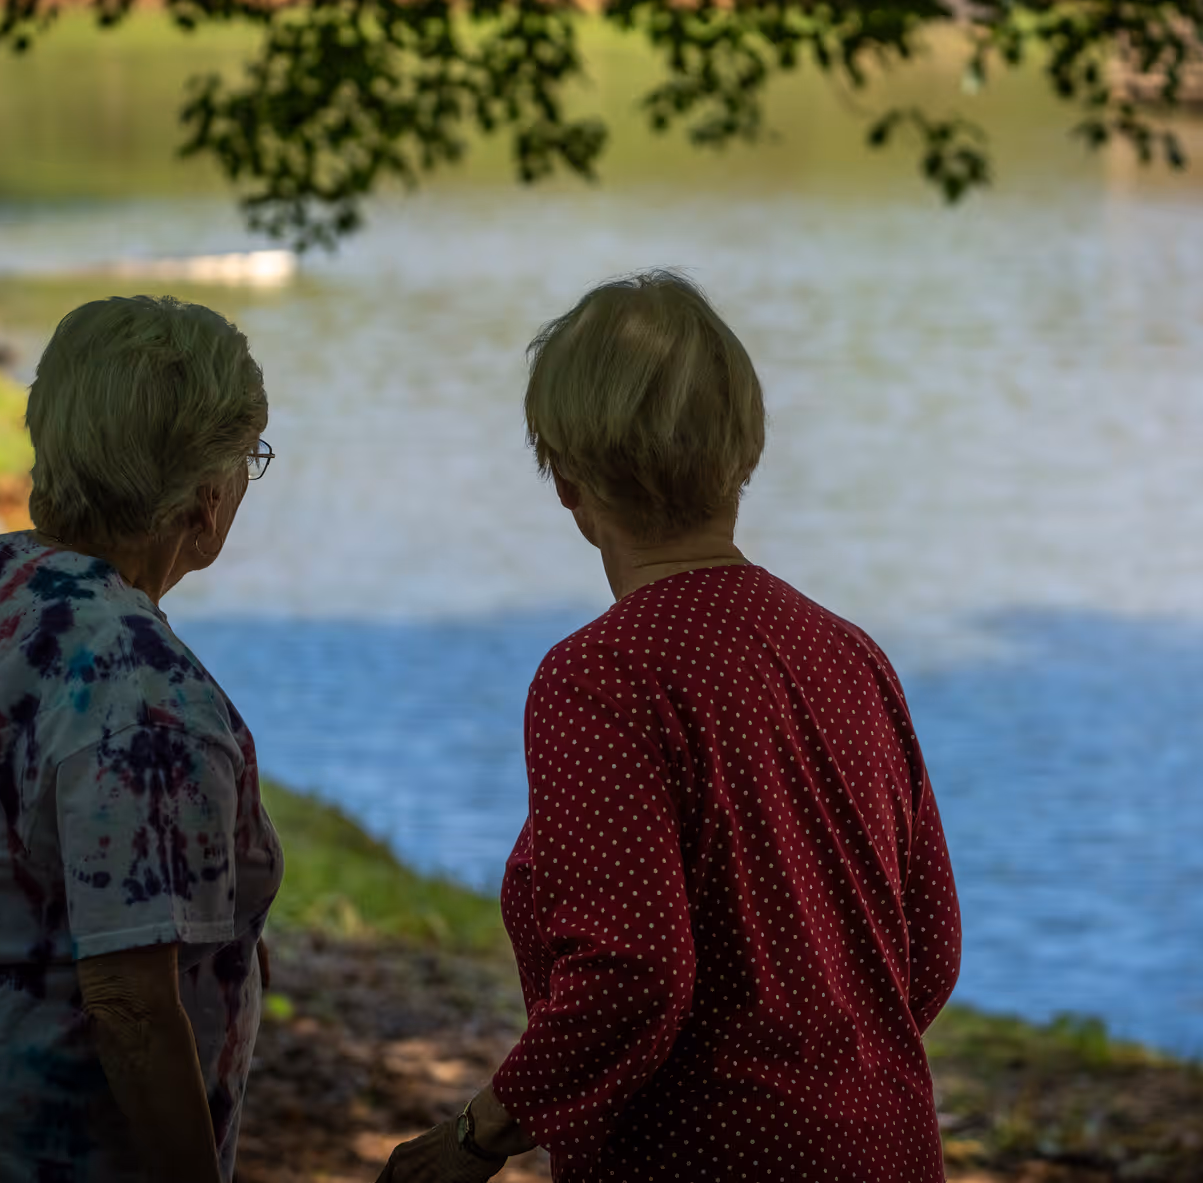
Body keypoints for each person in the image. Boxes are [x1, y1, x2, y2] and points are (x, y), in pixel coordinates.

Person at [379, 271, 963, 1183]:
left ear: (566, 480)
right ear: (744, 455)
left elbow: (631, 972)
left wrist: (475, 1137)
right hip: (888, 1147)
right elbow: (926, 950)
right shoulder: (851, 655)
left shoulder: (600, 678)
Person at [0, 295, 283, 1183]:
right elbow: (130, 1006)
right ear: (203, 501)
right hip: (39, 1149)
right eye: (249, 461)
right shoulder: (147, 698)